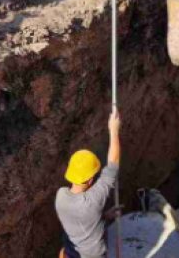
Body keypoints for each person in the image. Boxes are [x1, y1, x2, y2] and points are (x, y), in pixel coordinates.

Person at [55, 109, 121, 258]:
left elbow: (82, 223)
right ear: (90, 180)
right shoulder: (92, 202)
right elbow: (113, 165)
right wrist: (114, 130)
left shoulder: (61, 196)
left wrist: (104, 216)